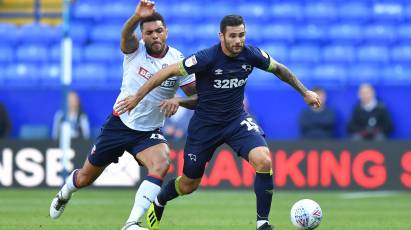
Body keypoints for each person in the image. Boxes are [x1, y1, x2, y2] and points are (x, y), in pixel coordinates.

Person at [115, 15, 320, 230]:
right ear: (221, 36)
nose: (238, 41)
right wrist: (138, 97)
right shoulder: (206, 58)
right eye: (232, 36)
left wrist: (304, 92)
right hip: (205, 126)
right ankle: (160, 199)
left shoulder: (251, 54)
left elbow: (279, 69)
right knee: (188, 184)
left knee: (264, 160)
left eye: (241, 35)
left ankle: (263, 223)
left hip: (236, 121)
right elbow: (167, 71)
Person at [49, 1, 197, 230]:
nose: (155, 36)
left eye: (159, 31)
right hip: (120, 123)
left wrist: (179, 101)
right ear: (142, 35)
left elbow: (197, 97)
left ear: (166, 32)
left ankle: (131, 224)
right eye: (149, 33)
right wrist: (136, 16)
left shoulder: (178, 61)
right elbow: (126, 33)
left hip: (148, 132)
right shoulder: (134, 50)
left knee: (162, 162)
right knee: (85, 178)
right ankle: (65, 192)